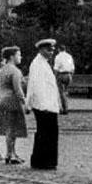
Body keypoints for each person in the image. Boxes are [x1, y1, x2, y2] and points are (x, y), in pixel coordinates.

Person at [26, 38, 61, 170]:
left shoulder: (43, 63)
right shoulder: (37, 64)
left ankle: (44, 160)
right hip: (44, 105)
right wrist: (43, 105)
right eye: (48, 49)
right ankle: (44, 161)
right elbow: (37, 86)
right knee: (46, 133)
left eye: (52, 50)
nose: (51, 52)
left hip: (48, 105)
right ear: (41, 49)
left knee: (47, 133)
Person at [0, 46, 28, 165]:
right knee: (13, 128)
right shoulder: (15, 71)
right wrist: (25, 102)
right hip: (12, 101)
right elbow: (18, 89)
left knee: (8, 128)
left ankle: (10, 153)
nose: (20, 57)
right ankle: (10, 154)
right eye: (18, 55)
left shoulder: (3, 69)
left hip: (3, 99)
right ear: (12, 56)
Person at [53, 43, 75, 115]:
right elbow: (72, 68)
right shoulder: (69, 56)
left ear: (59, 49)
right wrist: (70, 76)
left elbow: (56, 68)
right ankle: (66, 107)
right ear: (65, 49)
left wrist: (55, 77)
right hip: (69, 75)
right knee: (65, 92)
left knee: (61, 92)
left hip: (61, 75)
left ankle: (65, 109)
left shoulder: (58, 57)